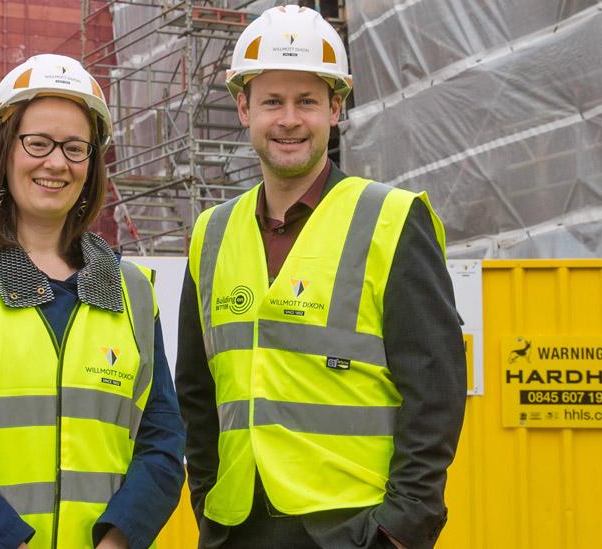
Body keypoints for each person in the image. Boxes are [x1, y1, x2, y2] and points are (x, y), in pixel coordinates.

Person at [175, 5, 466, 549]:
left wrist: (402, 528)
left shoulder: (393, 219)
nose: (289, 119)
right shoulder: (209, 234)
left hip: (354, 527)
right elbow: (196, 391)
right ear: (243, 108)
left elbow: (435, 389)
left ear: (335, 108)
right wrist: (207, 500)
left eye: (307, 101)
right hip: (237, 525)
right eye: (272, 102)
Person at [0, 54, 185, 549]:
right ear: (4, 151)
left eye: (75, 148)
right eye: (38, 143)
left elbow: (162, 442)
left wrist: (116, 541)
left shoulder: (132, 291)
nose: (56, 163)